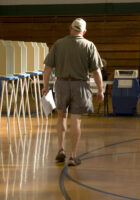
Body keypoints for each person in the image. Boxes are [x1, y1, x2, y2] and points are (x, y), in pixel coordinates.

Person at [42, 18, 104, 166]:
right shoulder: (89, 45)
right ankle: (73, 156)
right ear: (84, 31)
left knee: (61, 117)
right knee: (76, 119)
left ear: (70, 28)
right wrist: (100, 90)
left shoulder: (58, 44)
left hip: (61, 84)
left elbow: (47, 69)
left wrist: (45, 86)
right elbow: (96, 72)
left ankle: (61, 150)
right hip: (80, 85)